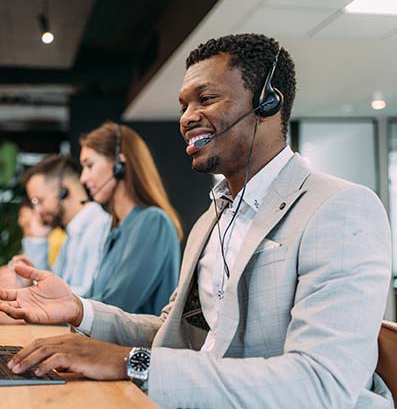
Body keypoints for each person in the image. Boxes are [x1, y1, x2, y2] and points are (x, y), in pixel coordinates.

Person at [0, 34, 392, 409]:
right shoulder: (213, 219)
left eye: (206, 99)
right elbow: (173, 335)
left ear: (268, 103)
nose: (187, 118)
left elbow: (319, 384)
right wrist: (79, 311)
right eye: (183, 105)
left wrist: (128, 362)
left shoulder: (339, 208)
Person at [77, 122, 182, 314]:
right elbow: (94, 298)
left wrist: (61, 309)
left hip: (136, 344)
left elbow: (116, 305)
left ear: (119, 164)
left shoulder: (153, 222)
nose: (83, 178)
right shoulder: (117, 231)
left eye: (89, 165)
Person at [13, 154, 110, 296]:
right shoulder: (71, 234)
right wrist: (38, 240)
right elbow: (50, 287)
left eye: (39, 201)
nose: (38, 211)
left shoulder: (99, 228)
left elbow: (89, 298)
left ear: (63, 192)